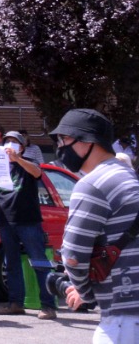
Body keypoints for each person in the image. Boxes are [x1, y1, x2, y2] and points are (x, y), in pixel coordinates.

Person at [52, 108, 139, 341]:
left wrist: (84, 292)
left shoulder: (92, 185)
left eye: (64, 139)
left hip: (123, 320)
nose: (60, 146)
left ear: (87, 140)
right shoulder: (130, 178)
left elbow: (72, 255)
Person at [0, 130, 56, 319]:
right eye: (7, 141)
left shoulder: (28, 164)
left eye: (14, 142)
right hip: (6, 220)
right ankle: (15, 303)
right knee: (11, 263)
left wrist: (17, 159)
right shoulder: (0, 166)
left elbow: (37, 172)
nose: (10, 145)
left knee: (39, 262)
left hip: (28, 220)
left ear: (21, 147)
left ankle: (48, 305)